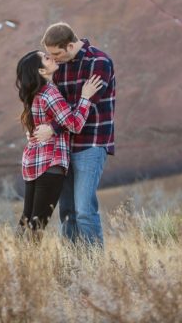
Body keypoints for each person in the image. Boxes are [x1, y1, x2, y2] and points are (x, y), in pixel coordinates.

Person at [33, 22, 115, 247]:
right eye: (50, 55)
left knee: (84, 210)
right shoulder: (59, 67)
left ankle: (93, 265)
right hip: (62, 148)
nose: (54, 59)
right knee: (66, 210)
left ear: (70, 45)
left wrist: (54, 128)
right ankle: (72, 264)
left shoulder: (99, 63)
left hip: (91, 143)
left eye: (57, 53)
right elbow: (57, 107)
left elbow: (87, 109)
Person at [16, 49, 103, 241]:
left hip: (32, 162)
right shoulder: (50, 92)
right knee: (37, 224)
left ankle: (17, 262)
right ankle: (25, 267)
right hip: (50, 163)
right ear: (41, 71)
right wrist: (85, 98)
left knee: (27, 219)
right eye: (47, 58)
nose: (52, 58)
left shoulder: (35, 94)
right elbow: (74, 124)